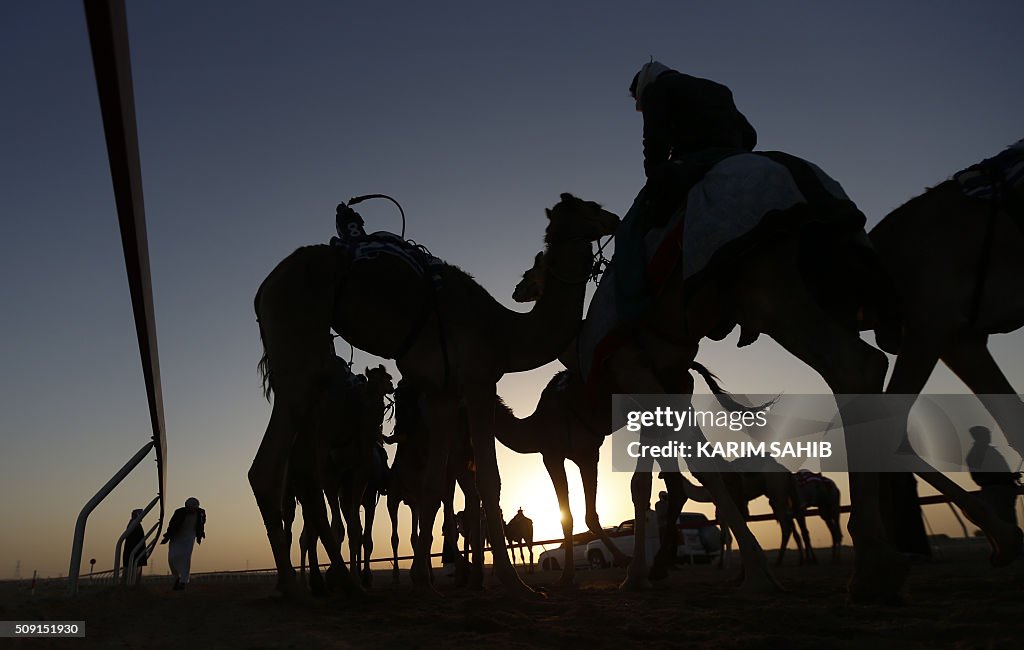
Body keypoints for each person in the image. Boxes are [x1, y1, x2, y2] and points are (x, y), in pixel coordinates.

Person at [629, 60, 757, 227]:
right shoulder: (718, 89)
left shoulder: (655, 89)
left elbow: (655, 139)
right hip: (735, 156)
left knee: (638, 223)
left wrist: (653, 174)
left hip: (694, 161)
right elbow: (750, 135)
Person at [966, 425, 1021, 526]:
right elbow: (982, 478)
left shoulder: (979, 453)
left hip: (999, 492)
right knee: (1005, 522)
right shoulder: (979, 453)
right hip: (997, 493)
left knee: (1005, 522)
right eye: (986, 434)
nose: (989, 436)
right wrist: (1009, 477)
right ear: (979, 436)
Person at [161, 497, 206, 590]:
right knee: (172, 558)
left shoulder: (201, 513)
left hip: (189, 536)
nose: (192, 509)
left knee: (186, 557)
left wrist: (200, 533)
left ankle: (183, 581)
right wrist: (168, 535)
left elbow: (201, 524)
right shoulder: (179, 512)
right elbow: (172, 524)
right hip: (177, 535)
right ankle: (177, 577)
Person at [121, 509, 148, 585]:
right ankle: (130, 588)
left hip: (134, 553)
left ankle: (130, 586)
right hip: (134, 553)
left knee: (132, 573)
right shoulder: (134, 524)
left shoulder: (134, 524)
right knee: (132, 574)